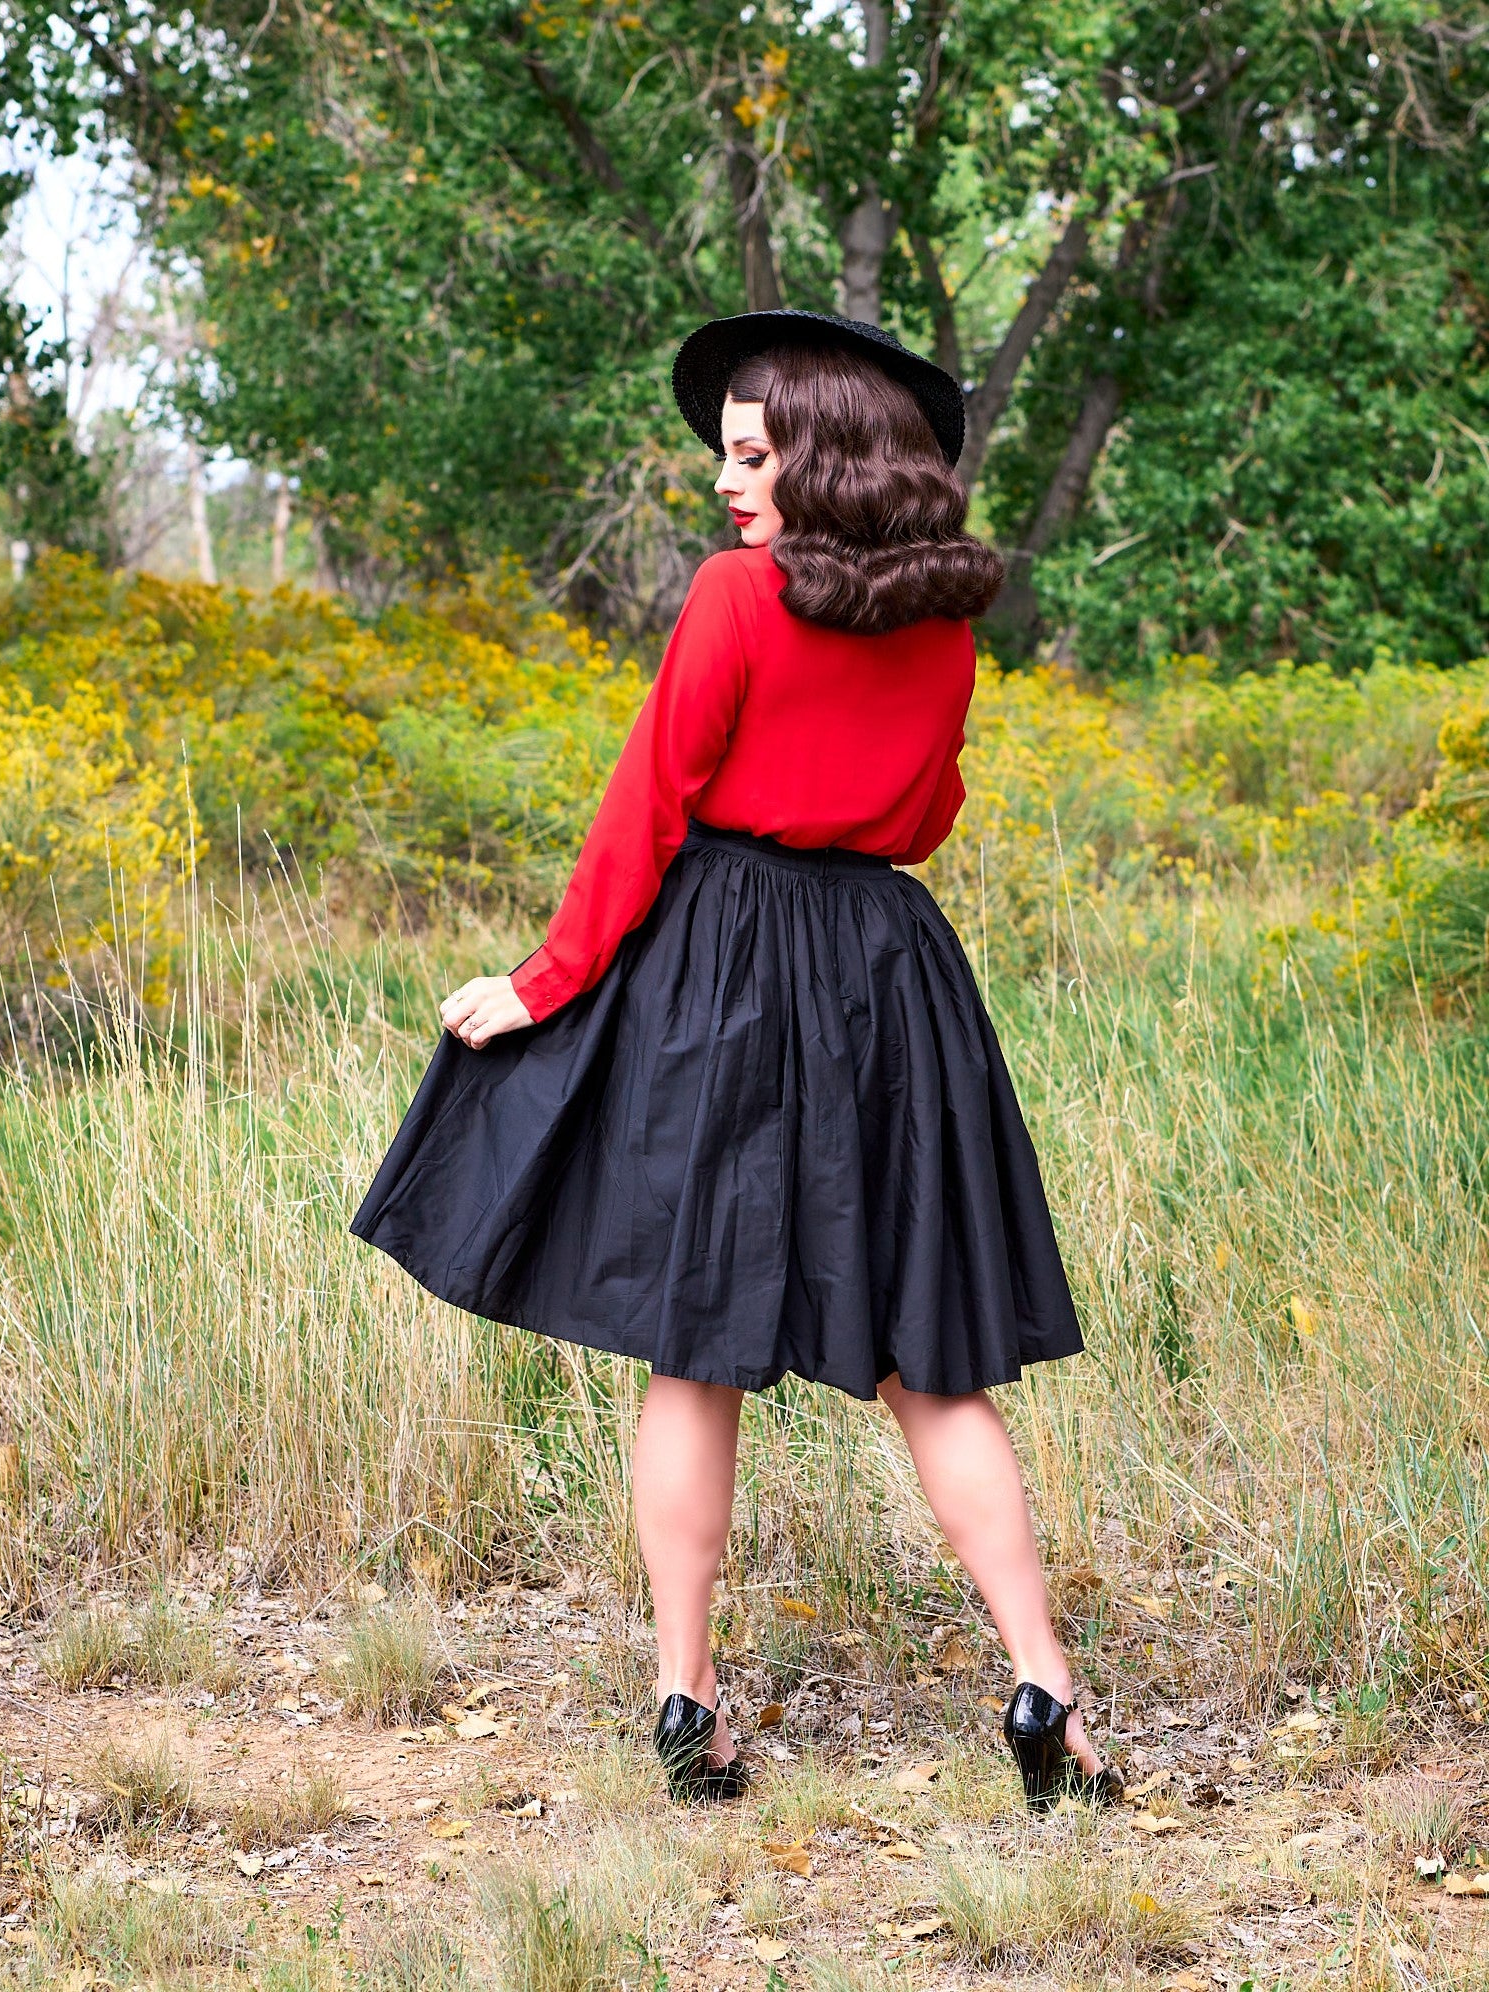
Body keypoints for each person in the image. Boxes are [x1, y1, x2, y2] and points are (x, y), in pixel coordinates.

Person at [350, 309, 1123, 1813]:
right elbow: (921, 821)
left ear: (824, 453)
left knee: (695, 1346)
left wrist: (543, 981)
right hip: (890, 979)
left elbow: (651, 802)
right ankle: (1049, 1692)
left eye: (753, 454)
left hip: (720, 968)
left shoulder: (731, 599)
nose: (728, 482)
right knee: (933, 1363)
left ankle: (687, 1699)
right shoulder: (949, 622)